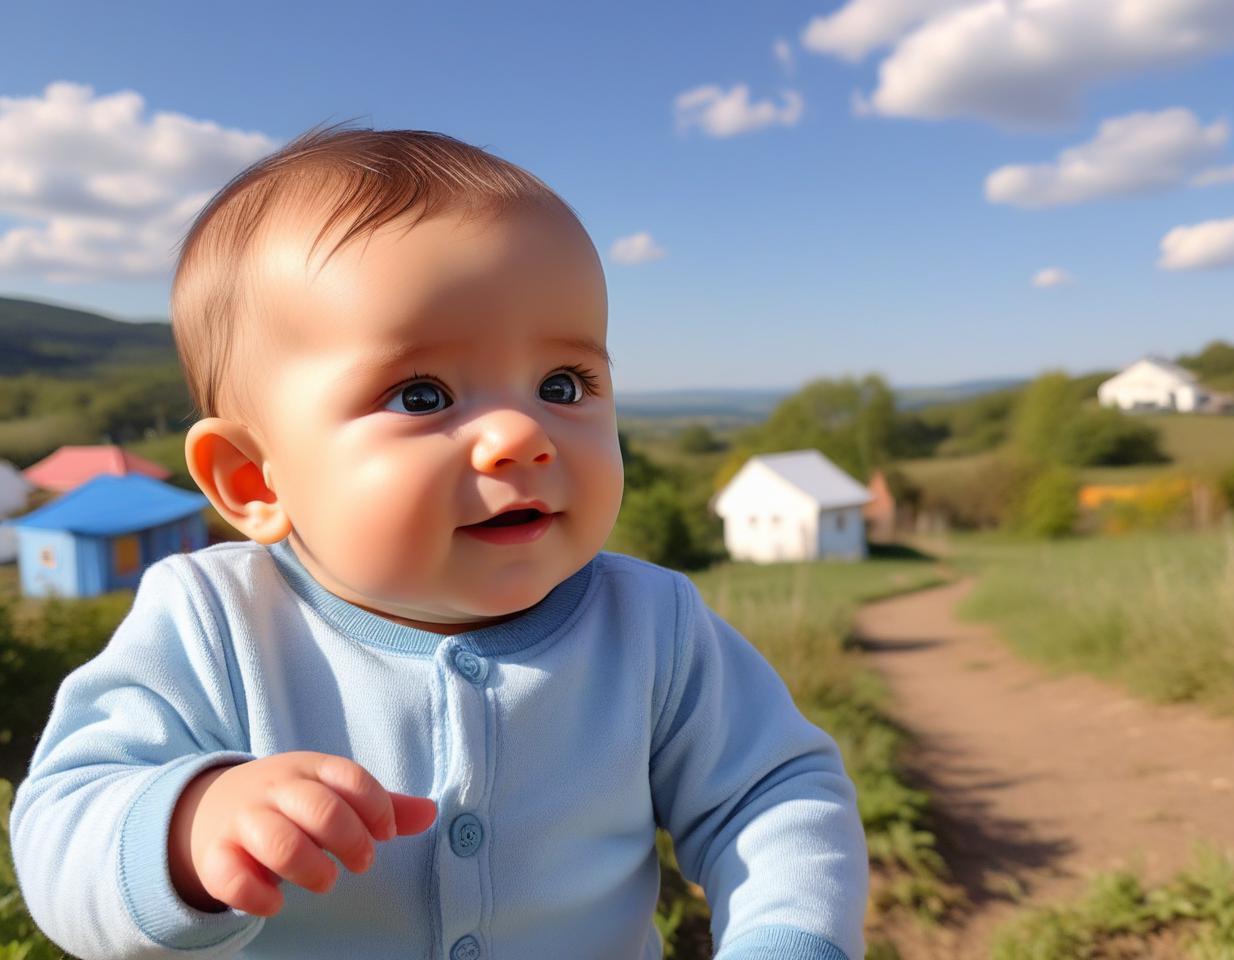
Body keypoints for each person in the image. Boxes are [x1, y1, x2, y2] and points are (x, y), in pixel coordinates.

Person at [9, 126, 869, 960]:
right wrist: (191, 824)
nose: (521, 436)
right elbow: (60, 829)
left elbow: (773, 795)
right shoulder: (216, 623)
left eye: (563, 384)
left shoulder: (652, 627)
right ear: (255, 481)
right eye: (422, 396)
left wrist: (788, 936)